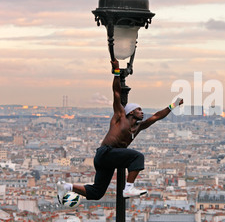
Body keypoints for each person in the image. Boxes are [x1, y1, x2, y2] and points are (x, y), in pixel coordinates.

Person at [57, 58, 183, 202]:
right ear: (130, 112)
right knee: (138, 157)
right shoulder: (120, 117)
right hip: (106, 153)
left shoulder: (138, 127)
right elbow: (117, 93)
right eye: (138, 109)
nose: (142, 112)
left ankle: (66, 187)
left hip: (107, 159)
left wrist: (173, 105)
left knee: (97, 192)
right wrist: (117, 72)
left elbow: (156, 116)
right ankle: (128, 188)